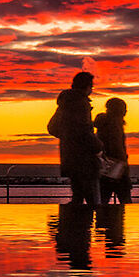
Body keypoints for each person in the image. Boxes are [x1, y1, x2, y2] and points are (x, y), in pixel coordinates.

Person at [47, 70, 99, 205]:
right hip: (84, 157)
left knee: (78, 195)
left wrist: (67, 137)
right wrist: (98, 145)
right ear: (87, 86)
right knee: (92, 199)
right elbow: (84, 129)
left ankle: (73, 224)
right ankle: (95, 226)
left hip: (69, 154)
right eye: (91, 86)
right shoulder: (81, 104)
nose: (91, 90)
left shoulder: (65, 104)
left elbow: (52, 127)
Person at [93, 97, 131, 204]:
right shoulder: (115, 125)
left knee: (104, 198)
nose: (126, 111)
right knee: (125, 198)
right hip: (116, 165)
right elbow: (116, 147)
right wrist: (123, 164)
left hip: (104, 165)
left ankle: (103, 220)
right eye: (124, 109)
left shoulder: (104, 125)